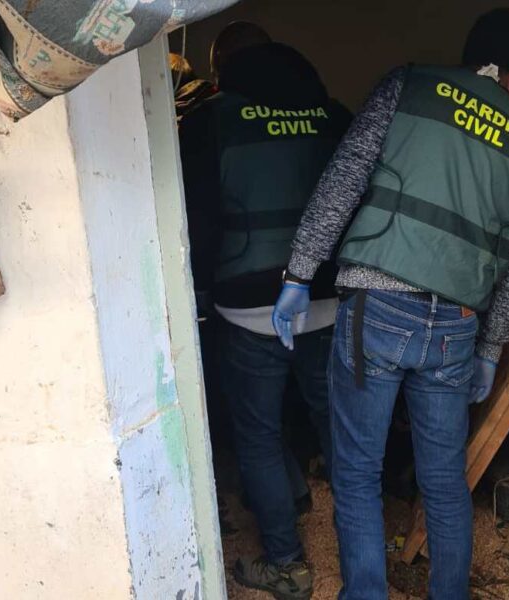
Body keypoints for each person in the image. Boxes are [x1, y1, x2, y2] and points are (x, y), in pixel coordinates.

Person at [272, 9, 509, 599]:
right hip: (457, 325)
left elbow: (344, 179)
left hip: (378, 304)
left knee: (357, 471)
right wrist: (492, 348)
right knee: (445, 482)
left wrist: (300, 271)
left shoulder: (409, 85)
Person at [179, 21, 353, 600]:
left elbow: (197, 219)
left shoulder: (209, 121)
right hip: (326, 296)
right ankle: (359, 555)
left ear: (222, 67)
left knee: (256, 434)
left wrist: (200, 292)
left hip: (248, 305)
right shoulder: (331, 113)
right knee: (337, 426)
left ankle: (287, 565)